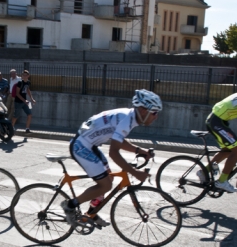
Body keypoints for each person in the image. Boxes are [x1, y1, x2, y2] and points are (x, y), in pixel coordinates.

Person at [60, 89, 163, 228]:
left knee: (109, 179)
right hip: (81, 147)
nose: (156, 117)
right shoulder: (127, 120)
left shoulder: (130, 117)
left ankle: (91, 213)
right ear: (144, 110)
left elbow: (118, 142)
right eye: (155, 113)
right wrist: (135, 173)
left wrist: (140, 150)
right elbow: (114, 152)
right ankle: (69, 205)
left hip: (90, 146)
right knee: (106, 184)